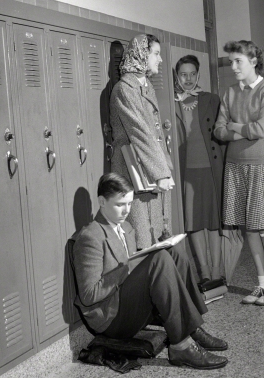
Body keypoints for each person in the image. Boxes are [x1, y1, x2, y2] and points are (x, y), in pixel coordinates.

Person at [72, 172, 228, 370]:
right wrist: (126, 268)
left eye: (129, 203)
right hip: (110, 318)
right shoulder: (90, 237)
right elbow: (88, 295)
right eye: (120, 204)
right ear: (102, 202)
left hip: (127, 304)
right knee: (159, 259)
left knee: (172, 251)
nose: (126, 210)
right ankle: (181, 346)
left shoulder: (126, 227)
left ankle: (192, 328)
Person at [214, 40, 264, 306]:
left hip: (263, 163)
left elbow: (261, 128)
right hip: (235, 164)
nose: (233, 66)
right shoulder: (230, 92)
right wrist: (243, 129)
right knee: (249, 227)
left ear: (253, 62)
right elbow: (219, 131)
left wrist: (235, 127)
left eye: (238, 61)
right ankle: (260, 284)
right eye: (231, 62)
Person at [110, 34, 174, 249]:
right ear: (141, 55)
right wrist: (161, 173)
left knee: (156, 229)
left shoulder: (145, 86)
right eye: (156, 53)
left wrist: (163, 169)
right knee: (140, 234)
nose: (160, 59)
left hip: (148, 165)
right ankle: (144, 279)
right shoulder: (124, 89)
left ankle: (158, 277)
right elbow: (140, 132)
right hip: (133, 169)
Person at [174, 55, 224, 283]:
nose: (188, 79)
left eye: (192, 74)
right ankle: (203, 272)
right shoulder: (170, 103)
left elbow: (224, 133)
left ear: (198, 75)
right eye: (183, 74)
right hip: (186, 173)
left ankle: (217, 271)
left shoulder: (211, 99)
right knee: (193, 223)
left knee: (213, 222)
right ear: (177, 76)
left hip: (210, 169)